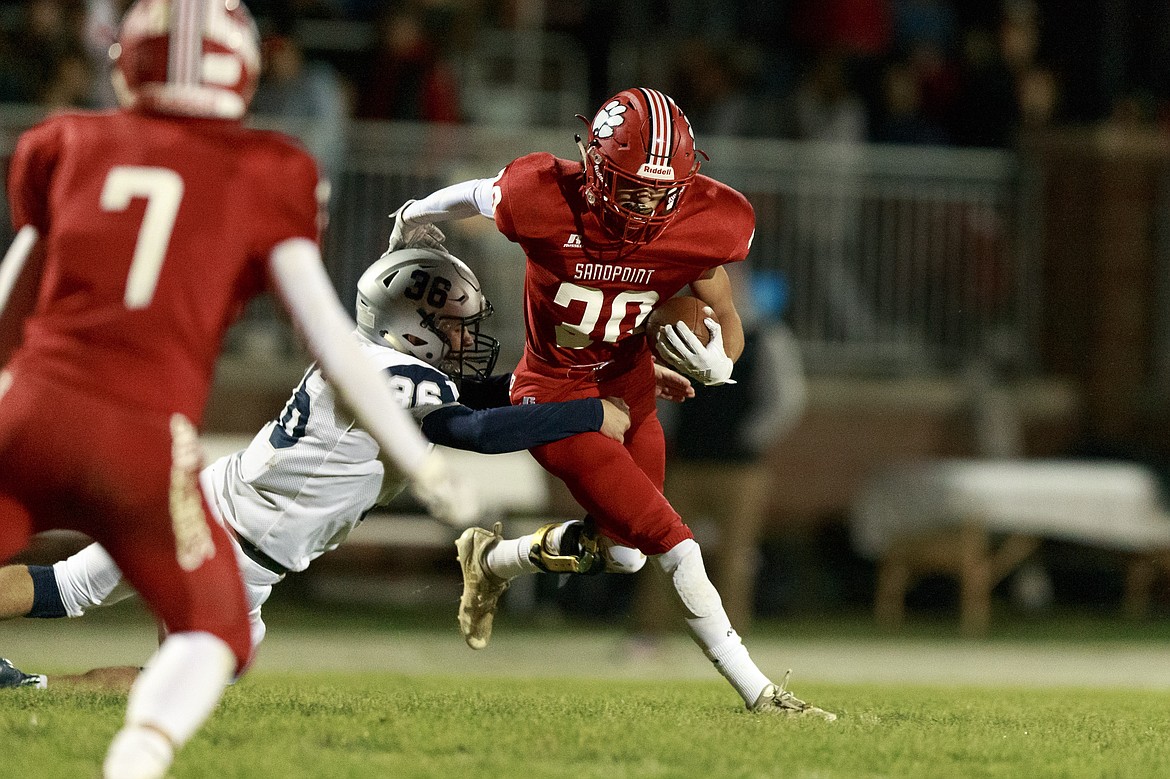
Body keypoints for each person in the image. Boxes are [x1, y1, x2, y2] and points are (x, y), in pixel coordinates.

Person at [0, 2, 471, 777]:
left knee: (63, 584)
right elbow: (326, 332)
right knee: (216, 633)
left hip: (31, 405)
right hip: (142, 441)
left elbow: (17, 288)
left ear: (129, 62)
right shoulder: (268, 169)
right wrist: (423, 466)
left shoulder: (65, 139)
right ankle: (136, 759)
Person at [0, 245, 649, 691]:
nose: (464, 338)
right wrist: (585, 415)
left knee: (65, 590)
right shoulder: (395, 374)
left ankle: (24, 688)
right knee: (197, 672)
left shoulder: (374, 360)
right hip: (238, 545)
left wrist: (568, 392)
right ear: (414, 325)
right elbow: (470, 430)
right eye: (452, 325)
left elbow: (474, 400)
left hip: (210, 505)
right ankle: (38, 690)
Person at [385, 87, 836, 719]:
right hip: (556, 395)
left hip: (633, 396)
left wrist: (720, 364)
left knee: (622, 554)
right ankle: (761, 693)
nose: (648, 201)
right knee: (675, 544)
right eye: (632, 185)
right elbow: (479, 193)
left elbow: (728, 316)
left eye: (663, 189)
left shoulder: (703, 222)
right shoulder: (543, 198)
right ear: (594, 165)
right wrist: (414, 215)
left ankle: (492, 560)